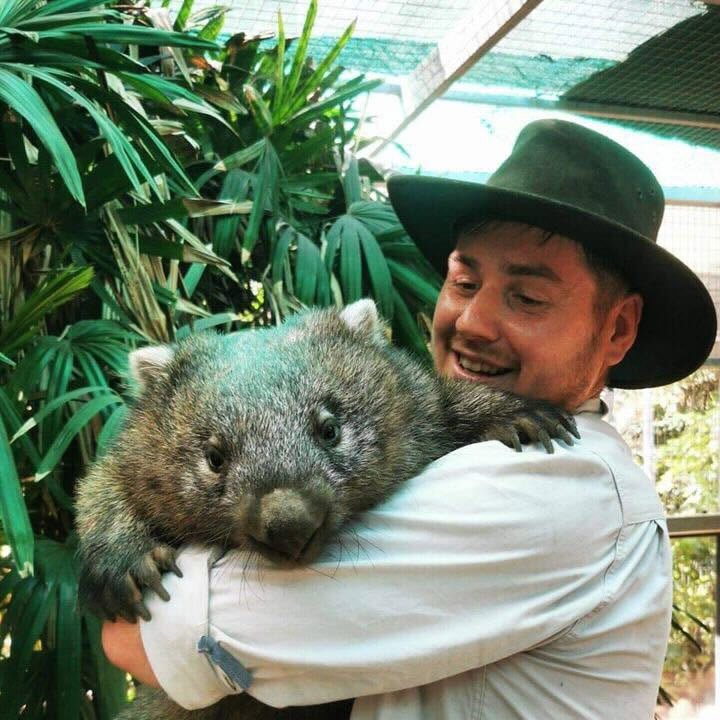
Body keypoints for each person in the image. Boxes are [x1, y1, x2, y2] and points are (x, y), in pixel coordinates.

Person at [101, 119, 717, 718]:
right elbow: (121, 484)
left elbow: (143, 639)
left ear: (619, 328)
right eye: (463, 279)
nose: (472, 322)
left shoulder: (557, 491)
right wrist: (118, 537)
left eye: (527, 297)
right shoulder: (473, 438)